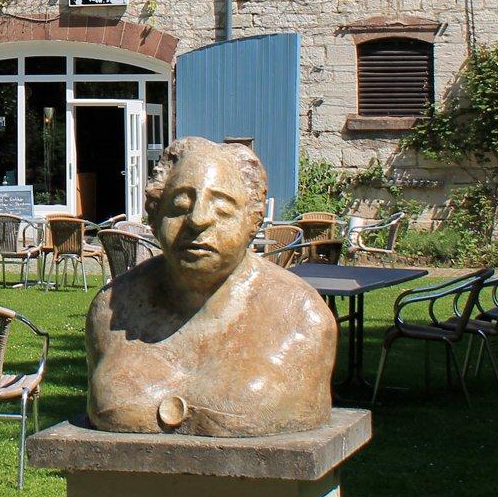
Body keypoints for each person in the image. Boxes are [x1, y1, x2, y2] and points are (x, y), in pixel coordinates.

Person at [86, 137, 336, 436]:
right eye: (179, 205)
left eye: (222, 208)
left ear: (251, 220)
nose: (198, 219)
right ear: (155, 215)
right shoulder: (113, 309)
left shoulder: (302, 317)